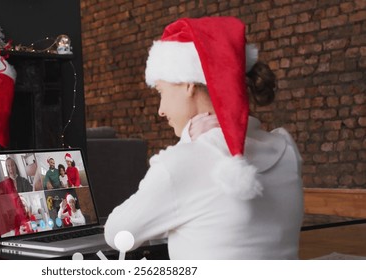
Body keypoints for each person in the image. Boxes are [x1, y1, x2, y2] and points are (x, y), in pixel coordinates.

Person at [104, 17, 303, 259]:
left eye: (161, 92)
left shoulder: (179, 163)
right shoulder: (287, 149)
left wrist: (188, 143)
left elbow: (117, 233)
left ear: (188, 84)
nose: (161, 110)